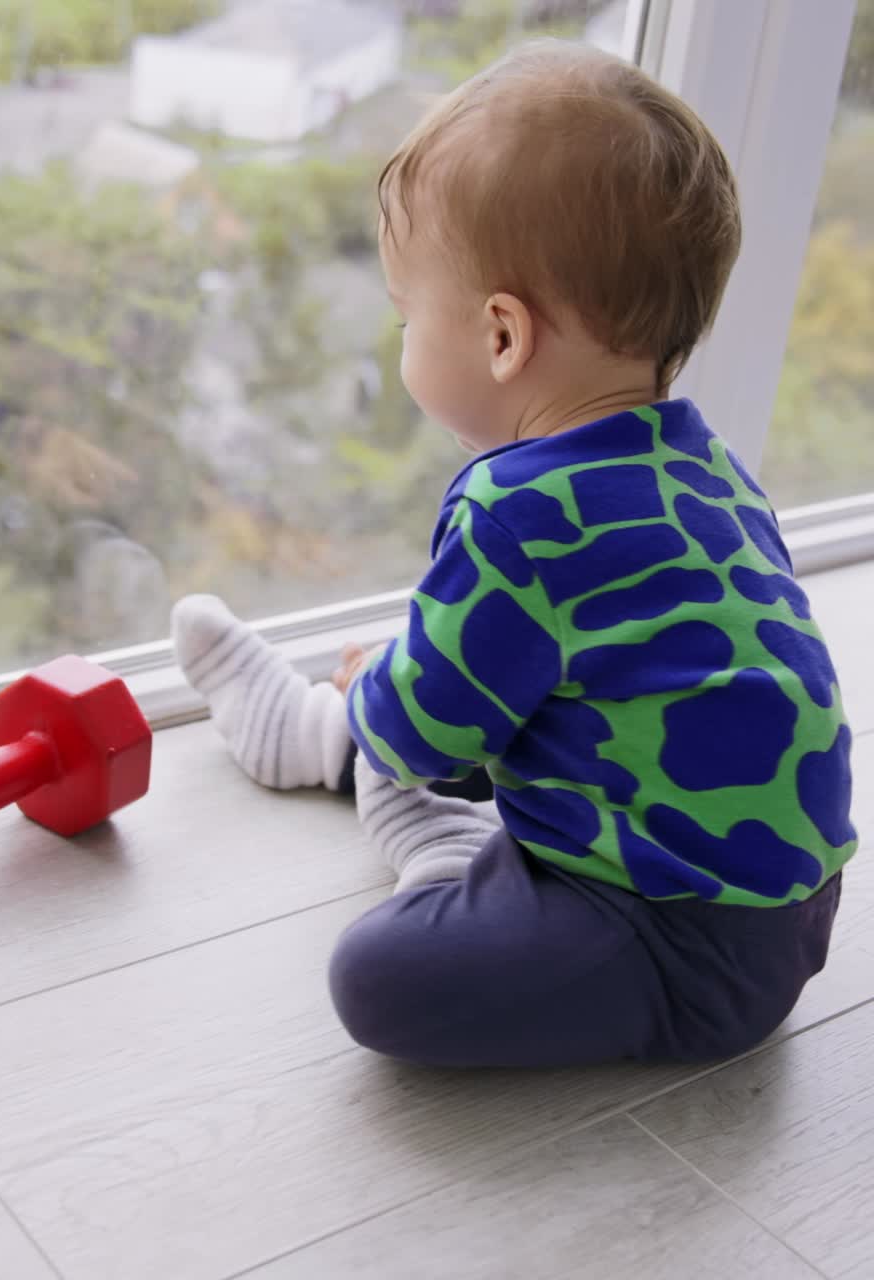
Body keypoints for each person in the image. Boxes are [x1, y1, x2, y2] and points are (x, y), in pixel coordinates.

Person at [170, 41, 857, 1069]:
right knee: (489, 681)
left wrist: (381, 708)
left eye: (407, 316)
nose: (400, 339)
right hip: (788, 916)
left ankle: (379, 792)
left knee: (375, 975)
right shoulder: (701, 462)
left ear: (500, 336)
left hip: (677, 947)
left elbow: (419, 736)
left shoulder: (515, 511)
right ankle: (332, 740)